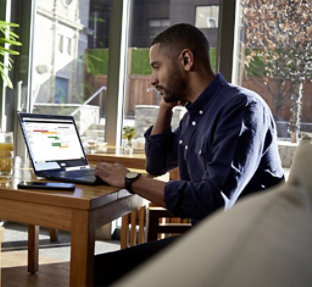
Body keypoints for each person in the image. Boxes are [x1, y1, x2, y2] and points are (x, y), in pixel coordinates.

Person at [93, 23, 284, 285]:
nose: (151, 79)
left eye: (156, 66)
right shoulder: (194, 116)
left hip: (244, 254)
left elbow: (214, 200)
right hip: (210, 243)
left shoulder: (240, 107)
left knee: (99, 272)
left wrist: (130, 180)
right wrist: (165, 107)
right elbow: (157, 163)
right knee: (93, 269)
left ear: (185, 59)